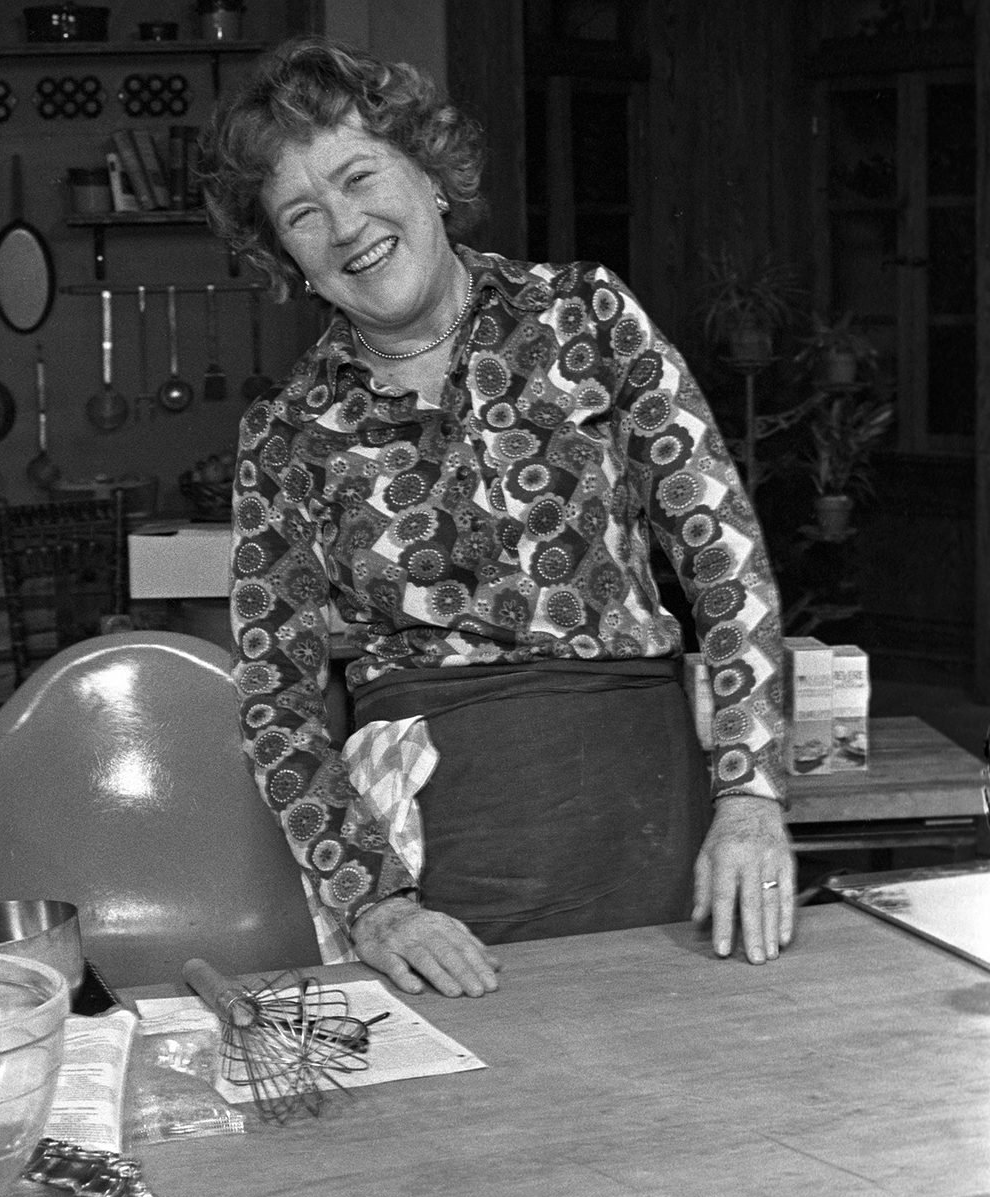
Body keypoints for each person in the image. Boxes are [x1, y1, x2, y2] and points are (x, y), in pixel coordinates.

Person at [199, 35, 795, 999]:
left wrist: (751, 800)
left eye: (359, 176)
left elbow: (726, 565)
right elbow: (280, 698)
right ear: (288, 259)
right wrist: (376, 903)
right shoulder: (287, 433)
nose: (347, 225)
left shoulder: (588, 319)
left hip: (650, 822)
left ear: (429, 174)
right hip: (442, 871)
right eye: (303, 215)